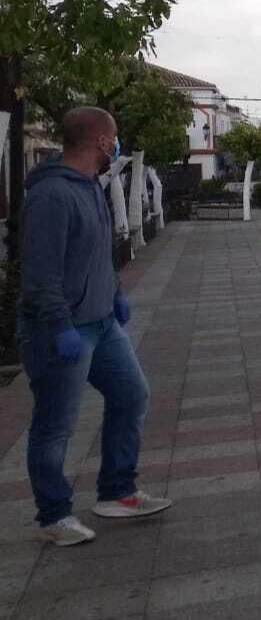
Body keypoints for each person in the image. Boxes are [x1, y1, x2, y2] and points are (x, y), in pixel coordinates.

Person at [18, 106, 172, 546]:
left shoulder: (89, 185)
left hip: (101, 322)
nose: (117, 144)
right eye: (114, 137)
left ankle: (117, 492)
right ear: (102, 141)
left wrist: (114, 293)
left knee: (131, 394)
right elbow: (40, 273)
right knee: (55, 424)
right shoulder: (51, 196)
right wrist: (59, 325)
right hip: (62, 328)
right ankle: (53, 515)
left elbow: (97, 252)